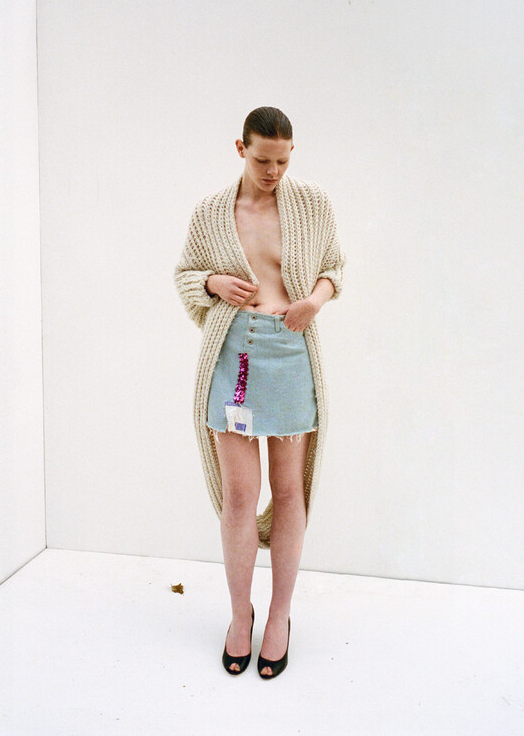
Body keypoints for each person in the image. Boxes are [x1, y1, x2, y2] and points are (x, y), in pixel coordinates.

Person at [174, 106, 345, 679]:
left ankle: (279, 616)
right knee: (240, 496)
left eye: (283, 160)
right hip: (234, 356)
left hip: (291, 352)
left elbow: (334, 267)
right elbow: (185, 275)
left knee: (290, 491)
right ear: (241, 148)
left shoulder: (313, 203)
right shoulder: (211, 212)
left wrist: (313, 302)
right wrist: (210, 282)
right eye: (263, 160)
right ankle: (239, 614)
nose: (273, 172)